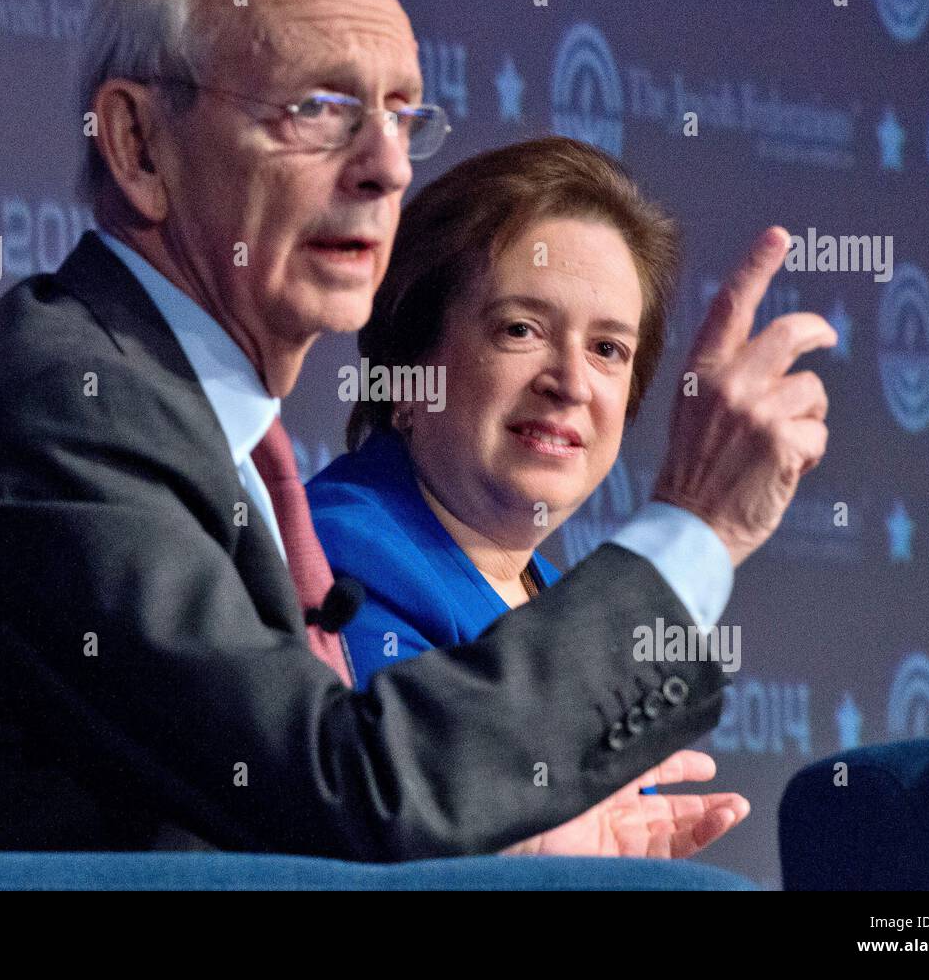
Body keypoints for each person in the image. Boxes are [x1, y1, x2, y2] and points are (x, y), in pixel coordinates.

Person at [0, 0, 832, 860]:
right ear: (137, 145)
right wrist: (691, 525)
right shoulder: (68, 408)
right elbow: (339, 791)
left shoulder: (196, 425)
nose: (383, 169)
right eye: (318, 109)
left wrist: (531, 845)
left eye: (405, 118)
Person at [308, 136, 752, 854]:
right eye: (522, 329)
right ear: (409, 369)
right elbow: (404, 826)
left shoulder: (541, 593)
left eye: (608, 349)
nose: (571, 382)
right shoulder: (338, 559)